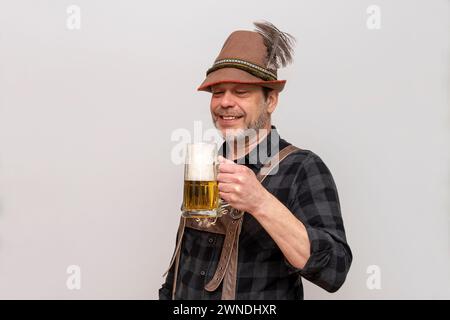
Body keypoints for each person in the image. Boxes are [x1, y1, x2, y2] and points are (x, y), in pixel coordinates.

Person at [159, 21, 352, 300]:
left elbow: (334, 270)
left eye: (240, 92)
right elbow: (182, 267)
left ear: (270, 100)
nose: (224, 102)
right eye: (217, 92)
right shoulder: (204, 166)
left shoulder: (302, 168)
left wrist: (261, 202)